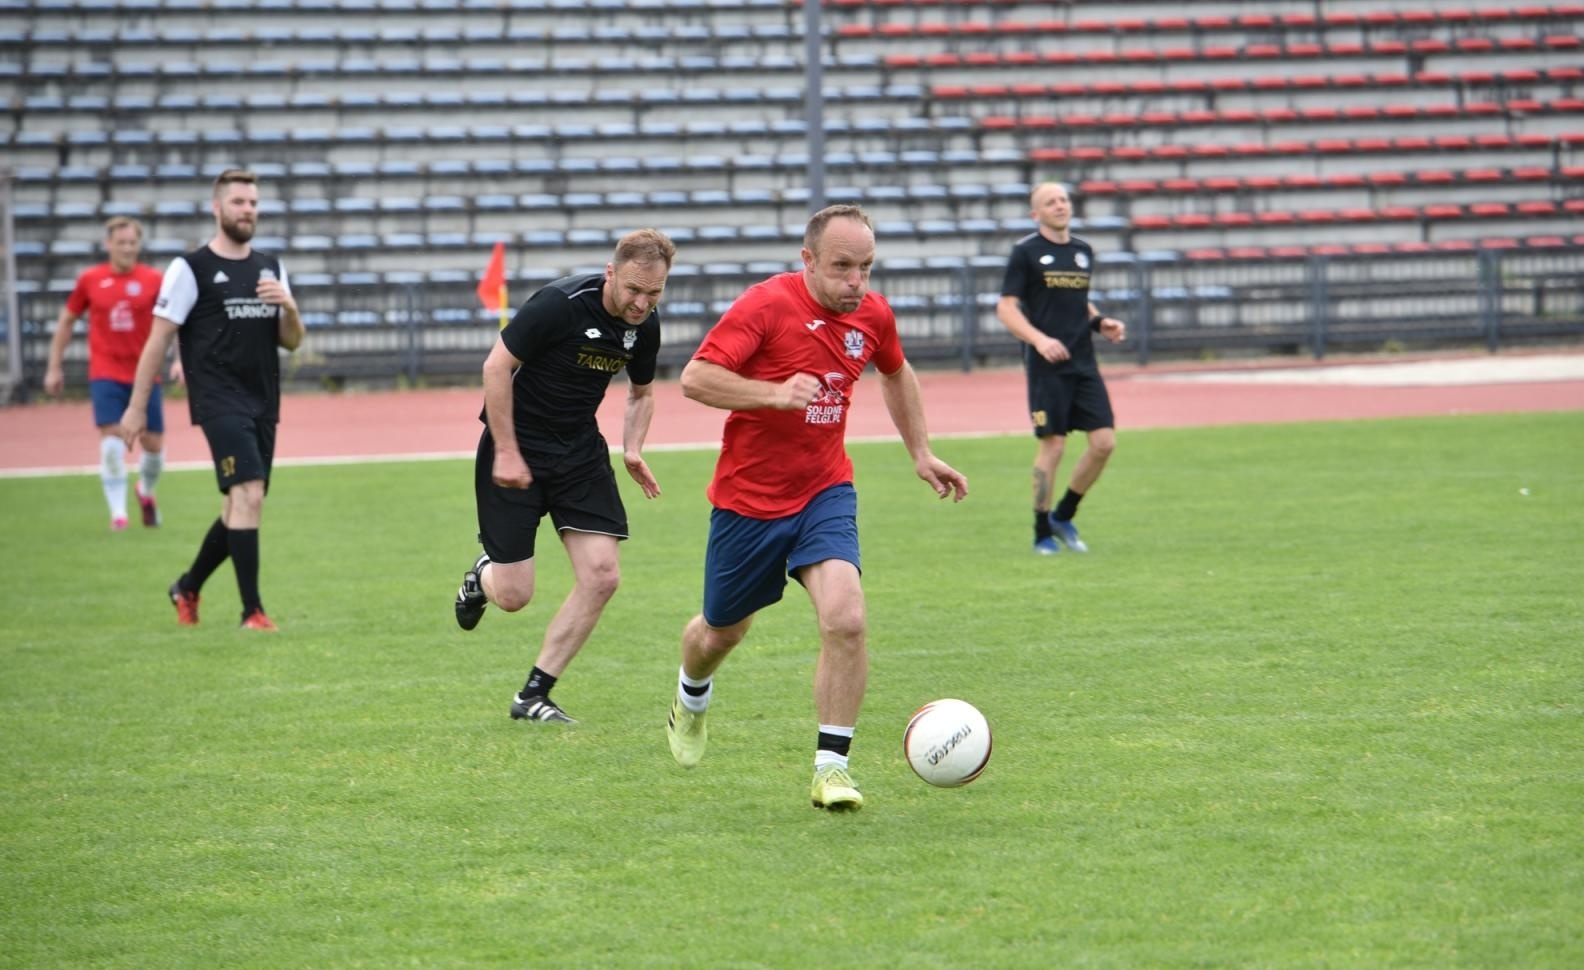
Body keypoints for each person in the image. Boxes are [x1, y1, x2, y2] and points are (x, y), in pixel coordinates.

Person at [666, 204, 968, 812]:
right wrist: (774, 394)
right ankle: (691, 698)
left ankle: (832, 768)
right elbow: (696, 378)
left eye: (866, 267)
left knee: (846, 619)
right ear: (807, 261)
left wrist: (921, 451)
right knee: (719, 631)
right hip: (748, 503)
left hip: (824, 492)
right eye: (842, 267)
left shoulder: (872, 314)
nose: (856, 282)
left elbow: (896, 372)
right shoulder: (765, 306)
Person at [453, 229, 677, 724]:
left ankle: (533, 695)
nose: (642, 303)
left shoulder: (646, 326)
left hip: (578, 452)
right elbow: (496, 367)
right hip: (518, 445)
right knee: (513, 596)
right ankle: (480, 576)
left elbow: (642, 393)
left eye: (654, 293)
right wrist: (508, 452)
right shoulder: (559, 304)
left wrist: (633, 448)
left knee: (603, 575)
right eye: (634, 290)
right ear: (611, 273)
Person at [119, 169, 304, 631]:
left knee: (241, 504)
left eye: (254, 203)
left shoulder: (270, 265)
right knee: (248, 494)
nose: (248, 210)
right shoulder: (190, 268)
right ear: (216, 207)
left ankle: (187, 586)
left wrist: (290, 306)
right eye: (239, 202)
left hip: (264, 399)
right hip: (218, 399)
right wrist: (137, 407)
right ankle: (252, 612)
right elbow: (158, 340)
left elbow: (294, 342)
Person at [995, 180, 1126, 555]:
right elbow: (1005, 308)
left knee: (1104, 443)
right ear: (1036, 214)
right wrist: (1039, 340)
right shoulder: (1025, 253)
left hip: (1083, 362)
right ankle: (1041, 531)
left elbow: (1079, 303)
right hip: (1045, 366)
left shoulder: (1083, 252)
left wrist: (1101, 323)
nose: (1060, 205)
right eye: (1050, 202)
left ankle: (1063, 514)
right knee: (1053, 447)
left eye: (1064, 199)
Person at [43, 216, 169, 530]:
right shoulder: (91, 280)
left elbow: (172, 324)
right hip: (106, 373)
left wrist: (180, 359)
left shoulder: (154, 279)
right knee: (112, 443)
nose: (127, 248)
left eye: (132, 242)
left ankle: (146, 490)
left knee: (153, 446)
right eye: (121, 242)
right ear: (108, 244)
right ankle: (119, 515)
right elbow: (67, 321)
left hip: (145, 374)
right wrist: (54, 366)